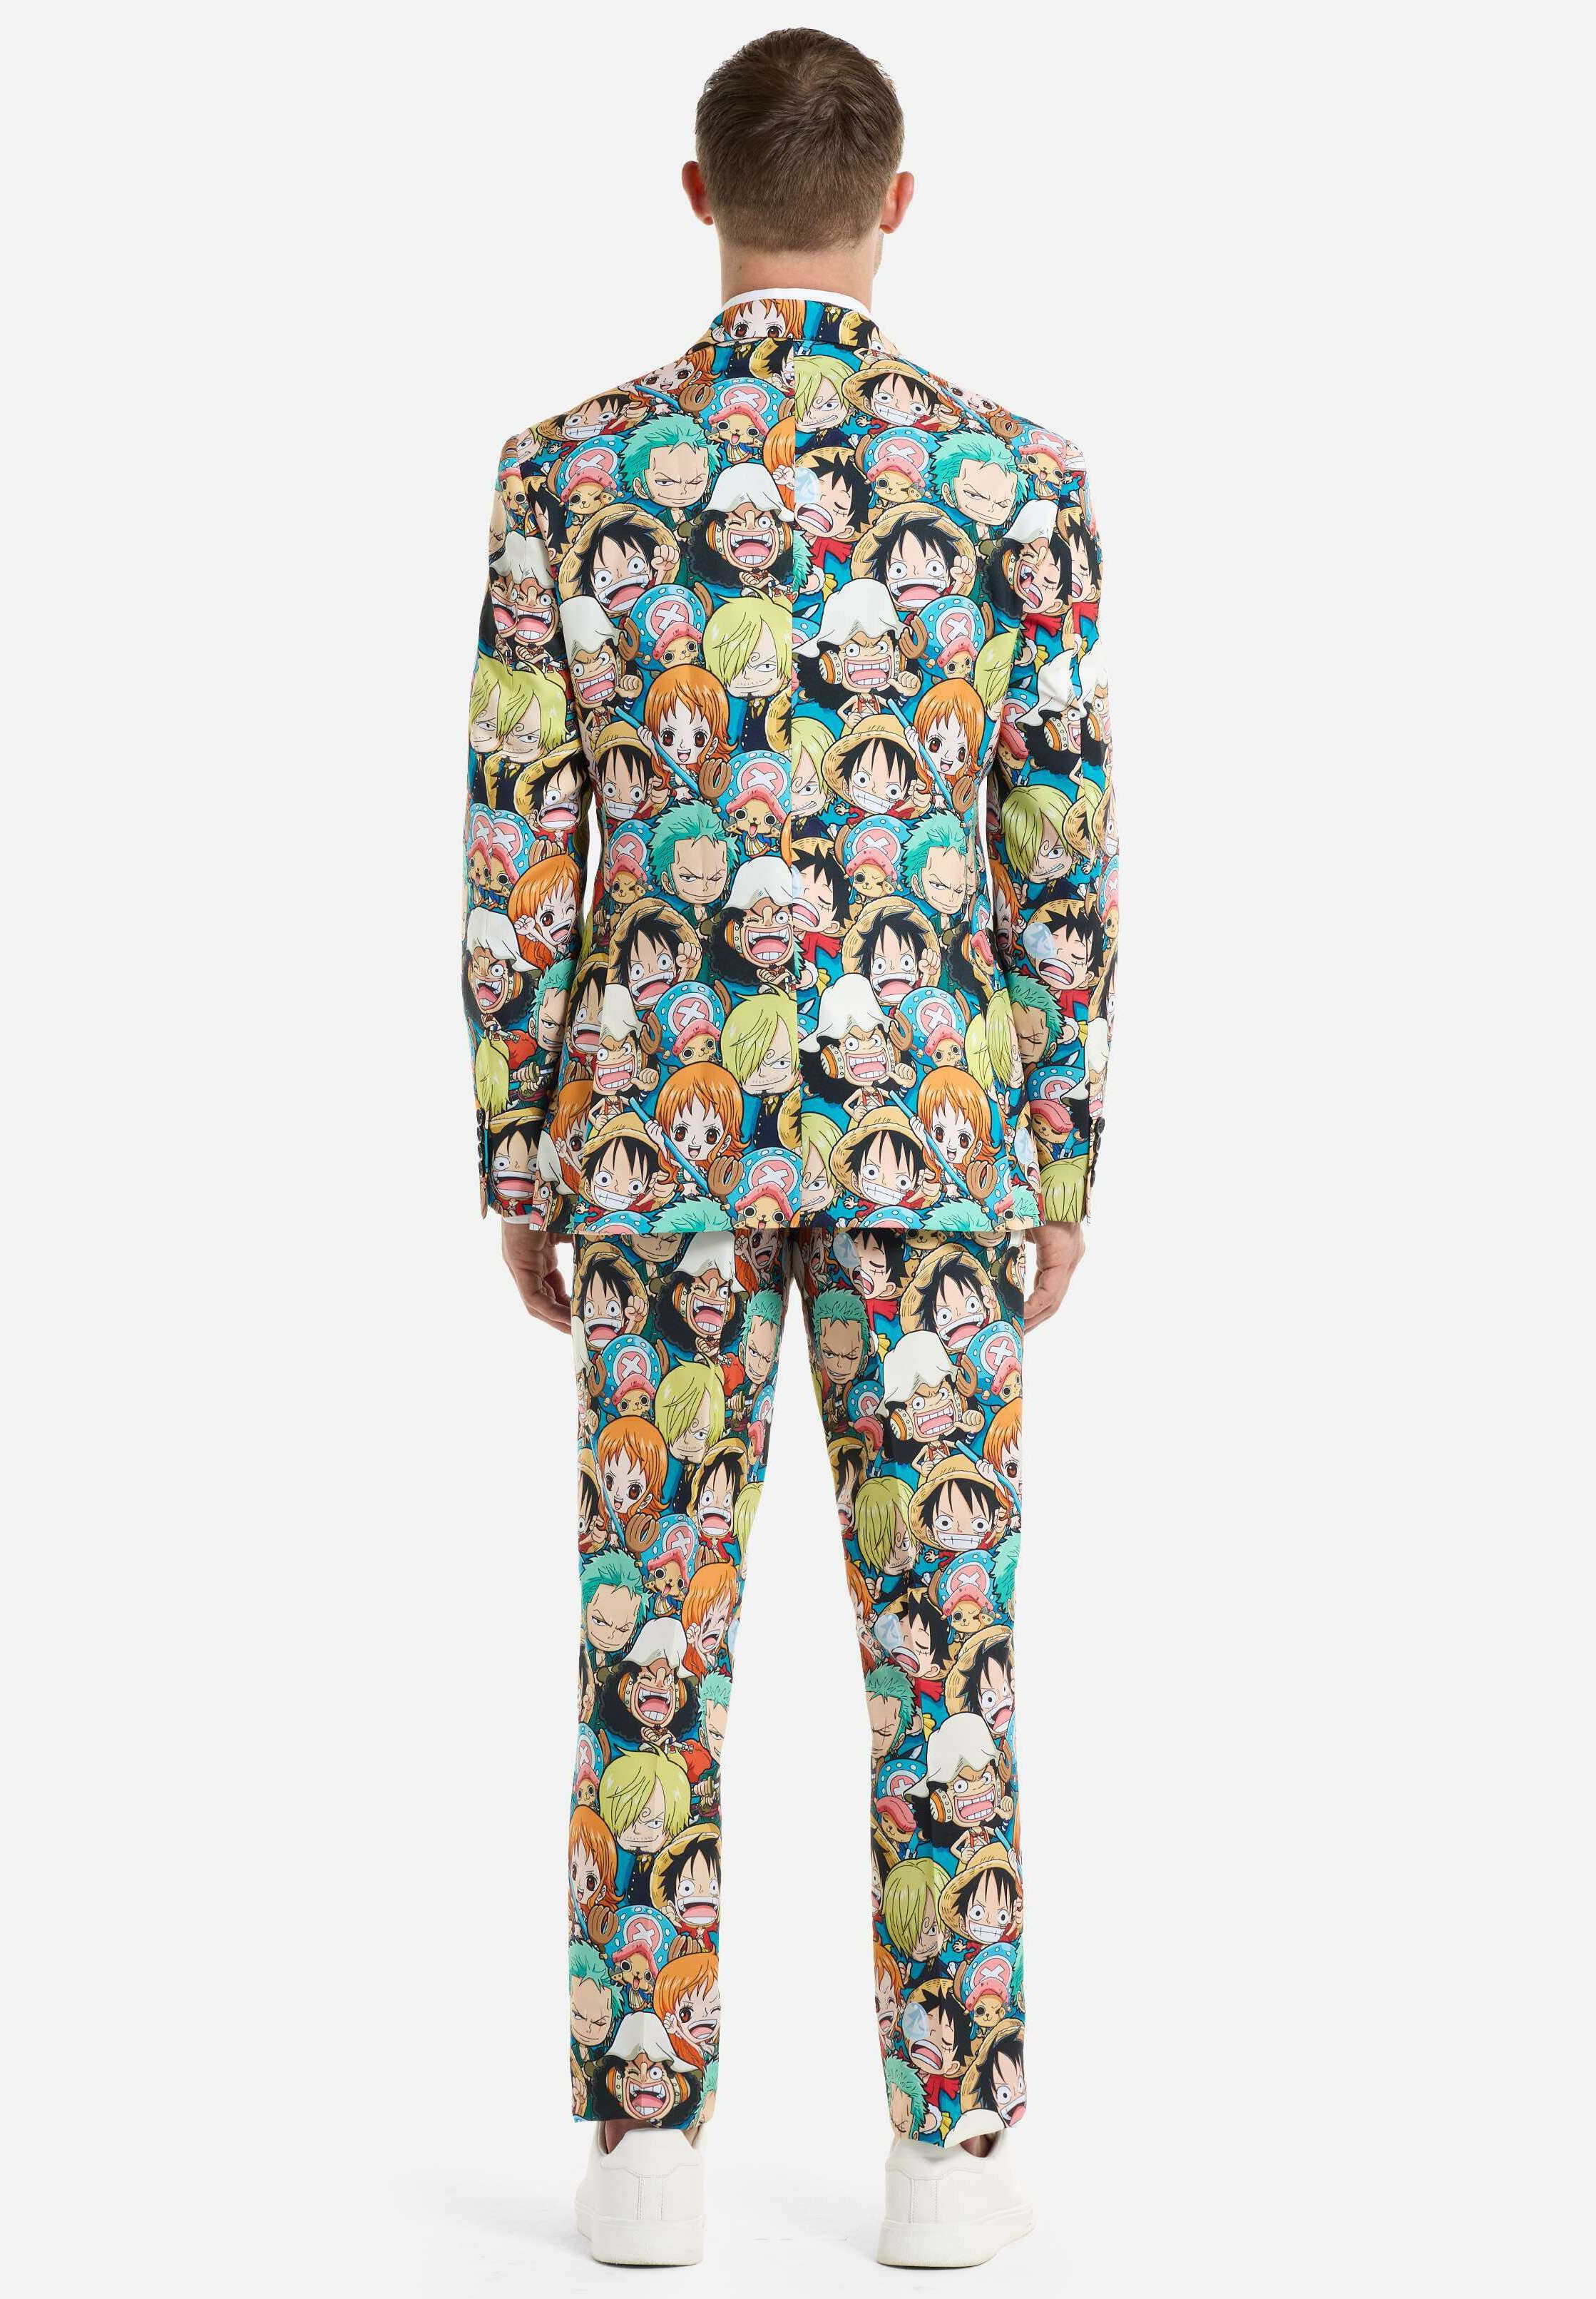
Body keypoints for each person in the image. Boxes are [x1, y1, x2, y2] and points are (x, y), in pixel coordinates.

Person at [459, 27, 1117, 2271]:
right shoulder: (1014, 480)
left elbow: (519, 851)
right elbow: (1059, 850)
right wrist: (1059, 1157)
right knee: (950, 1649)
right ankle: (956, 2153)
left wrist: (523, 1157)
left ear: (698, 193)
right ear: (897, 203)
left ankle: (644, 2152)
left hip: (655, 1146)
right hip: (936, 1143)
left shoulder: (569, 476)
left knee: (651, 1630)